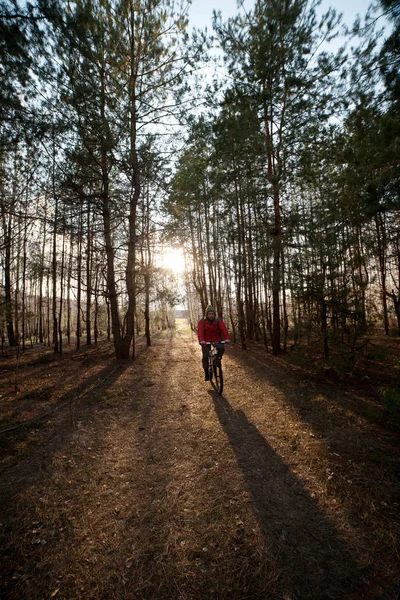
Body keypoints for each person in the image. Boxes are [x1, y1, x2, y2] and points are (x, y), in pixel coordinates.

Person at [198, 306, 231, 381]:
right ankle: (207, 372)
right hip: (205, 341)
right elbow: (200, 332)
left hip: (216, 339)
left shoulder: (218, 320)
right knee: (205, 356)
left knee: (221, 348)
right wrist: (202, 340)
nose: (211, 315)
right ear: (206, 314)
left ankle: (217, 359)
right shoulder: (202, 321)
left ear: (214, 314)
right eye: (209, 314)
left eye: (212, 314)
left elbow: (224, 329)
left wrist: (227, 338)